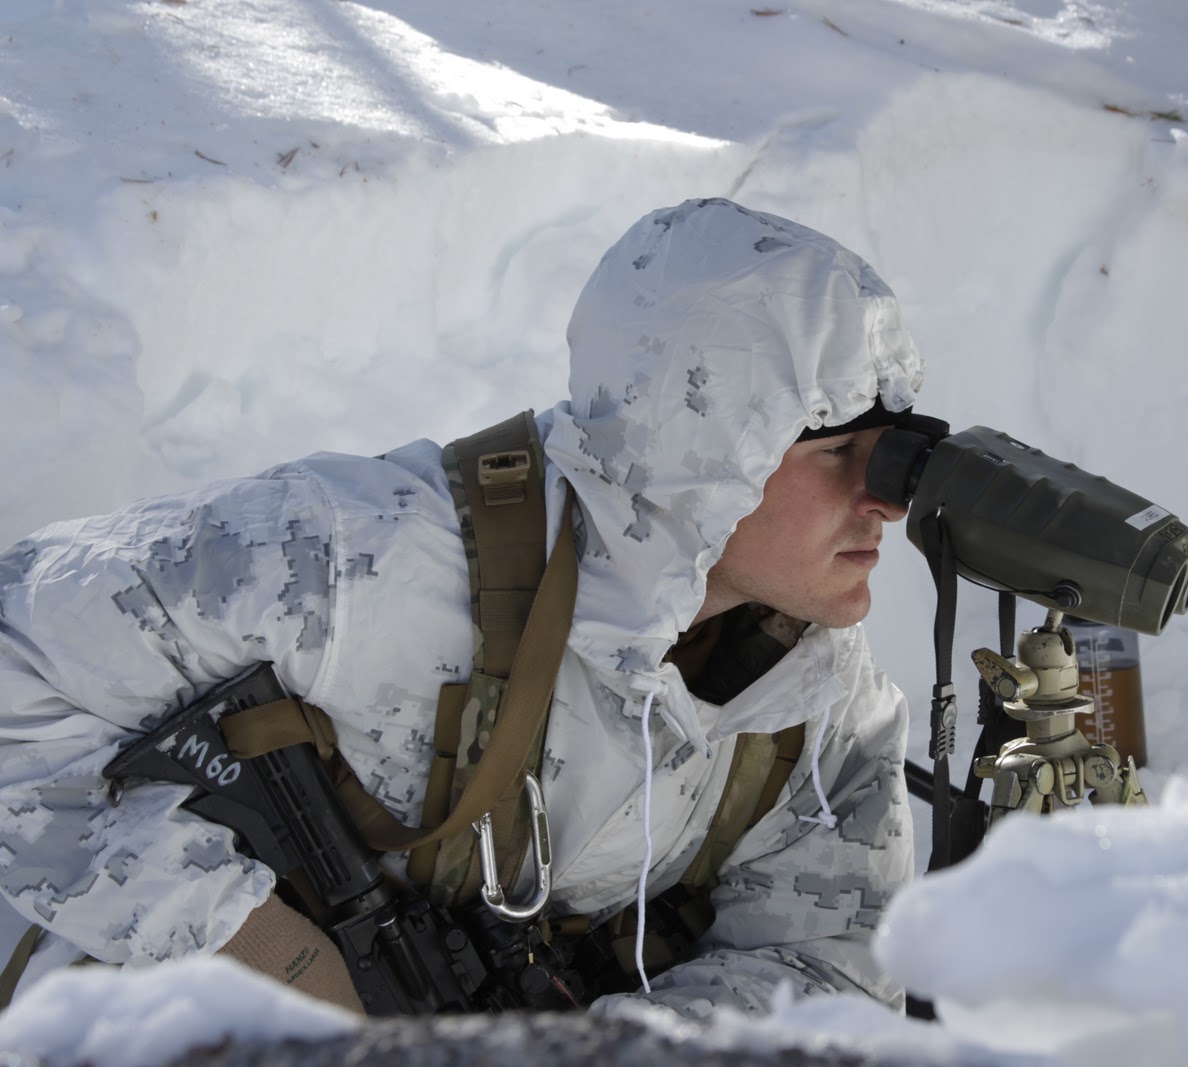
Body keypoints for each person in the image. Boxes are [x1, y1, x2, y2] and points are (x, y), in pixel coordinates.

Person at [0, 197, 923, 1021]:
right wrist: (262, 951)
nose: (884, 502)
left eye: (896, 457)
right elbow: (16, 640)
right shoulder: (369, 558)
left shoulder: (817, 694)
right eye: (841, 452)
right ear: (706, 454)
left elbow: (828, 967)